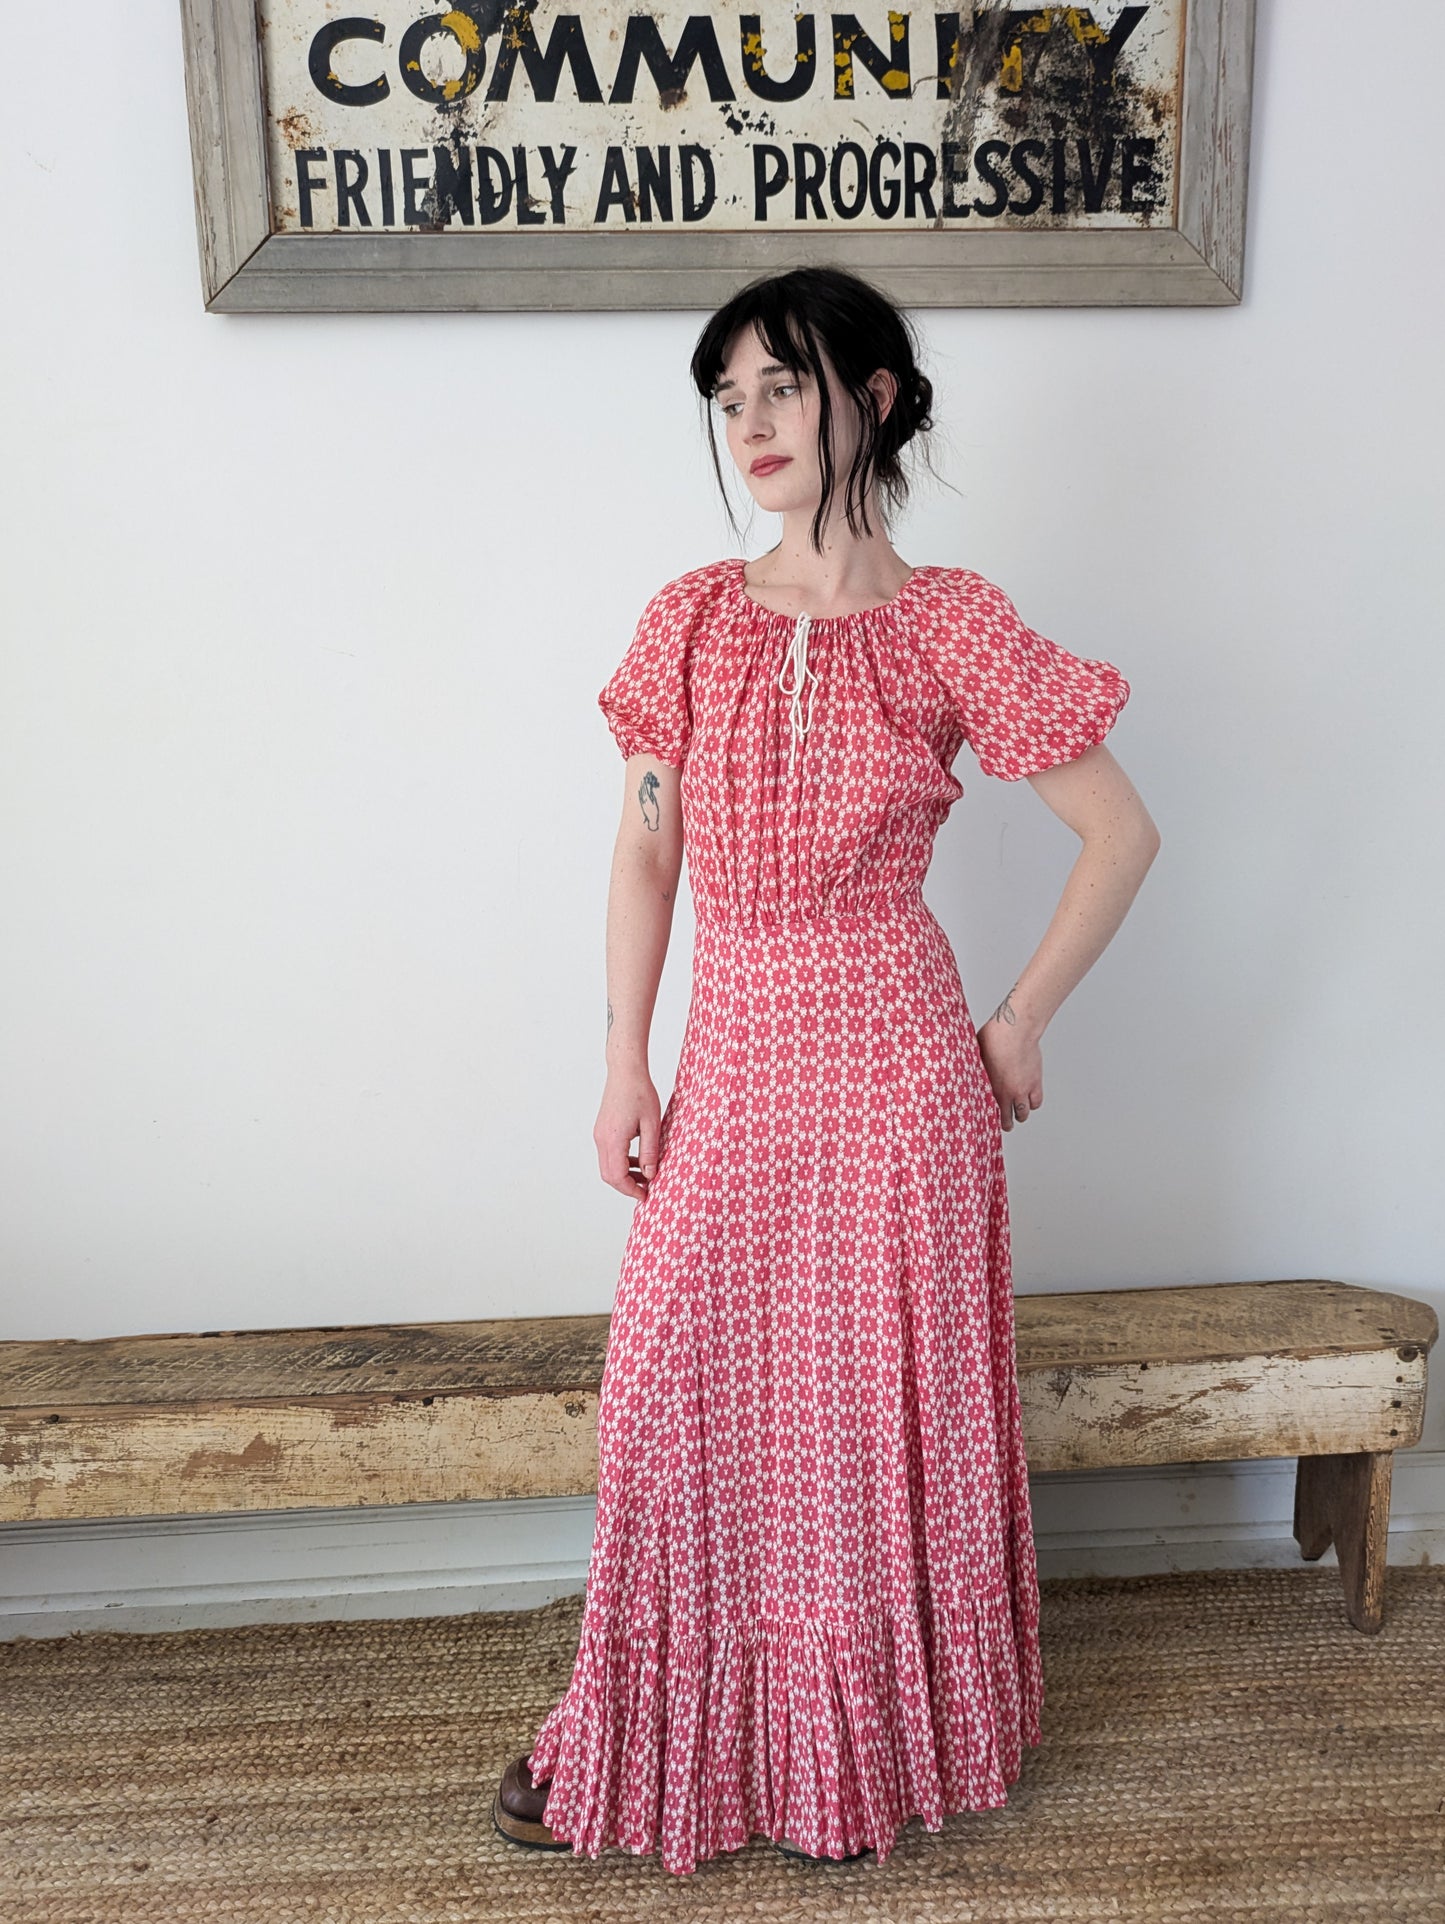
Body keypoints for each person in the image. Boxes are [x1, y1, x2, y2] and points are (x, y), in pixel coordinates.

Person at [493, 265, 1160, 1874]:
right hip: (733, 1061)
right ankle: (657, 1730)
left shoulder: (949, 625)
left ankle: (843, 1762)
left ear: (866, 391)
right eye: (726, 401)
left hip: (895, 1073)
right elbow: (644, 857)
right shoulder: (693, 619)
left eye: (778, 386)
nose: (749, 426)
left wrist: (1015, 1023)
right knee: (668, 1392)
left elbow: (1118, 833)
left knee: (866, 1423)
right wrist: (621, 1065)